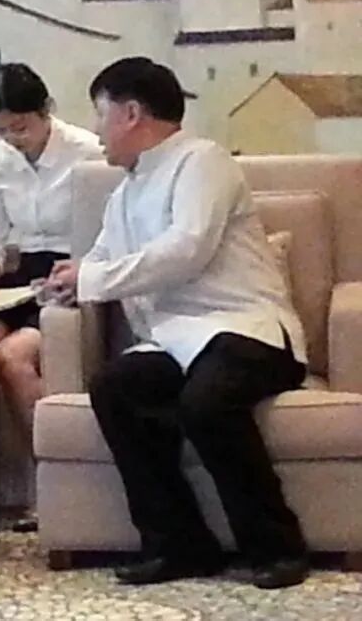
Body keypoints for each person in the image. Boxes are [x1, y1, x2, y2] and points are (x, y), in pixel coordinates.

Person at [46, 56, 309, 589]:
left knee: (205, 403)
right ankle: (180, 544)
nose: (96, 130)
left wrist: (92, 278)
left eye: (100, 114)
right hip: (174, 342)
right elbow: (99, 263)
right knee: (116, 387)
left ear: (131, 114)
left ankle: (276, 547)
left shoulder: (203, 161)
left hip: (247, 329)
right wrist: (67, 281)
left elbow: (187, 248)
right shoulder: (123, 194)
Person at [0, 62, 101, 531]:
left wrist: (79, 273)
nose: (12, 139)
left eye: (20, 127)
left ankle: (54, 484)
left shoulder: (88, 152)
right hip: (24, 278)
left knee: (14, 356)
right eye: (0, 130)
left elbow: (105, 237)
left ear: (46, 110)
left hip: (73, 276)